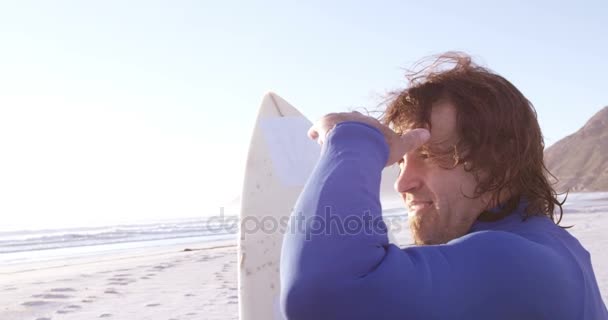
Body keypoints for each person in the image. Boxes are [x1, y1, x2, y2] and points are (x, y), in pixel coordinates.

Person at [279, 52, 608, 319]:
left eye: (428, 155)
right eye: (402, 161)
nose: (403, 183)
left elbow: (325, 292)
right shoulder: (557, 247)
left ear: (500, 161)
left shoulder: (513, 261)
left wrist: (353, 141)